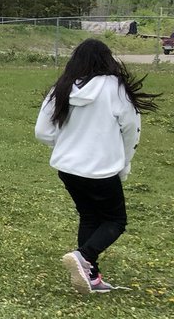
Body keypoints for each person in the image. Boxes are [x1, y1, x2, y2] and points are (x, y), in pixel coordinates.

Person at [35, 39, 158, 293]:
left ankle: (90, 276)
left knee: (90, 216)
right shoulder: (115, 88)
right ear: (107, 60)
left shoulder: (62, 88)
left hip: (68, 169)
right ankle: (83, 256)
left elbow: (43, 132)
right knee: (115, 220)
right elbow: (130, 130)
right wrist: (123, 163)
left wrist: (67, 144)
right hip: (102, 170)